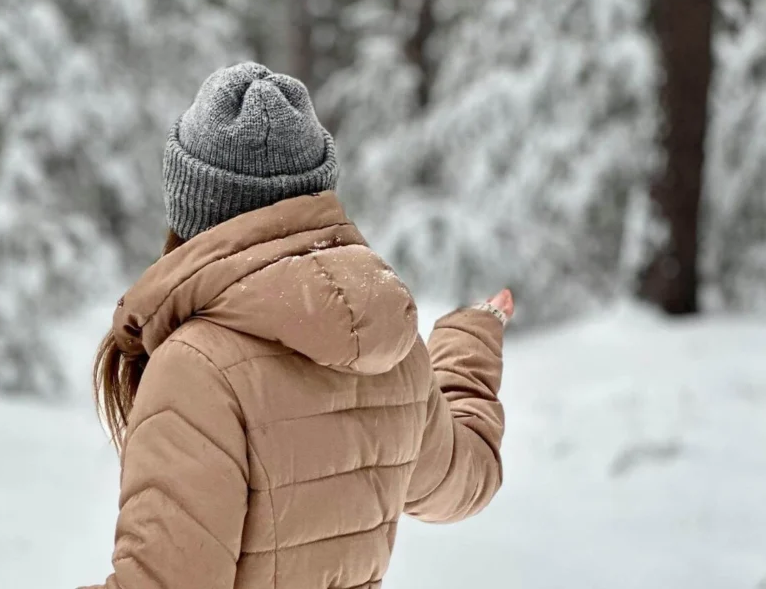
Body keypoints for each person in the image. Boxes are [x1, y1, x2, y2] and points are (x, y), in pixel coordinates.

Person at [82, 62, 510, 589]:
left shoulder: (197, 368)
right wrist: (470, 341)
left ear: (191, 209)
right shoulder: (392, 348)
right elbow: (463, 477)